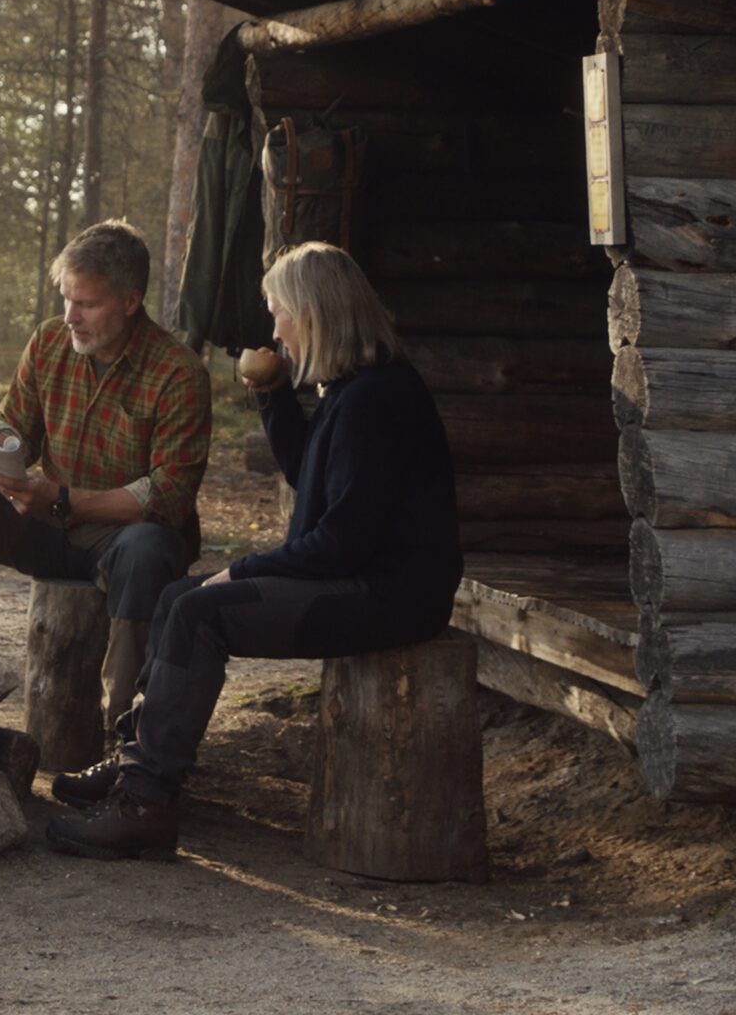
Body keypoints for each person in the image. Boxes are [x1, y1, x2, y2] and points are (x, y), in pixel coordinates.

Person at [44, 241, 461, 861]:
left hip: (390, 595)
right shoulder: (352, 390)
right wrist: (273, 395)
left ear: (312, 312)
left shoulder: (377, 400)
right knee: (179, 596)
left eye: (279, 314)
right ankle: (137, 762)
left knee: (199, 612)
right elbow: (310, 478)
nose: (275, 331)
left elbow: (340, 545)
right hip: (361, 578)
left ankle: (145, 805)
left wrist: (240, 569)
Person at [0, 219, 212, 730]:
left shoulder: (178, 372)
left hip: (123, 541)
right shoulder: (50, 341)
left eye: (87, 304)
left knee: (148, 548)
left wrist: (63, 499)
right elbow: (17, 425)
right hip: (46, 525)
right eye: (66, 299)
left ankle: (128, 738)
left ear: (130, 301)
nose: (70, 316)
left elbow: (169, 496)